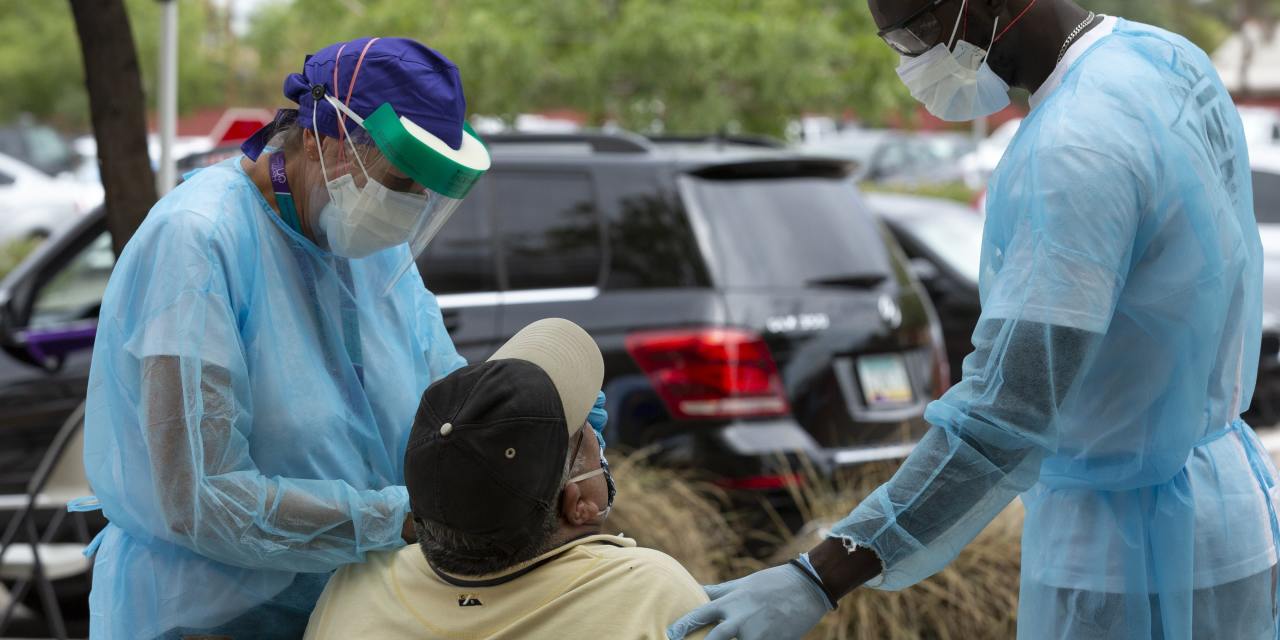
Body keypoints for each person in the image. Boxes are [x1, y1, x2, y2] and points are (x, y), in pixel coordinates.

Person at [669, 1, 1279, 639]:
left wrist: (819, 575)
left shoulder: (1075, 144)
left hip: (1127, 554)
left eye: (918, 33)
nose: (914, 62)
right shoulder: (1165, 58)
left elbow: (1007, 414)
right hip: (1231, 509)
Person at [76, 37, 608, 639]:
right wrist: (403, 519)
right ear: (318, 139)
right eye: (399, 181)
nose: (409, 207)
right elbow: (199, 498)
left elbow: (445, 405)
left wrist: (546, 424)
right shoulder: (197, 242)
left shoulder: (367, 248)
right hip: (211, 618)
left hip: (358, 610)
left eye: (423, 194)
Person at [304, 319, 708, 640]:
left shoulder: (354, 591)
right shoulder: (650, 593)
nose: (595, 432)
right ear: (578, 503)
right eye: (584, 431)